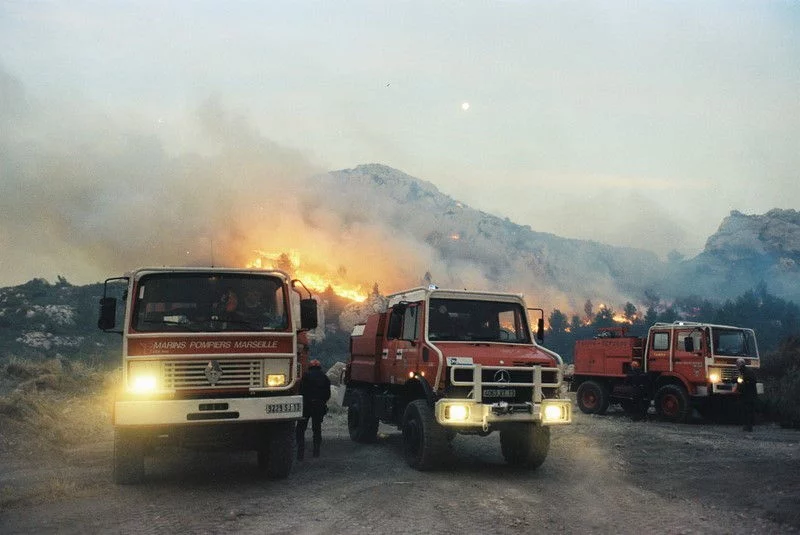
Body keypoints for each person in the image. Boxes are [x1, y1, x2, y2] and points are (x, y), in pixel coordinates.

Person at [295, 359, 331, 460]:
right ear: (319, 367)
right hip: (319, 406)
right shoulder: (324, 377)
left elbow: (301, 391)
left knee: (301, 429)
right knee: (317, 429)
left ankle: (300, 453)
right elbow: (327, 394)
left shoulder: (305, 376)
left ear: (309, 367)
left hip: (306, 405)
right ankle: (316, 452)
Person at [735, 357, 758, 432]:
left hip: (748, 395)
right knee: (747, 411)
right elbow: (740, 380)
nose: (736, 366)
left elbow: (750, 381)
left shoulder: (746, 372)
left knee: (748, 411)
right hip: (747, 394)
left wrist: (742, 385)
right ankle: (747, 426)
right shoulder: (744, 371)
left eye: (737, 364)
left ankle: (749, 427)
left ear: (741, 364)